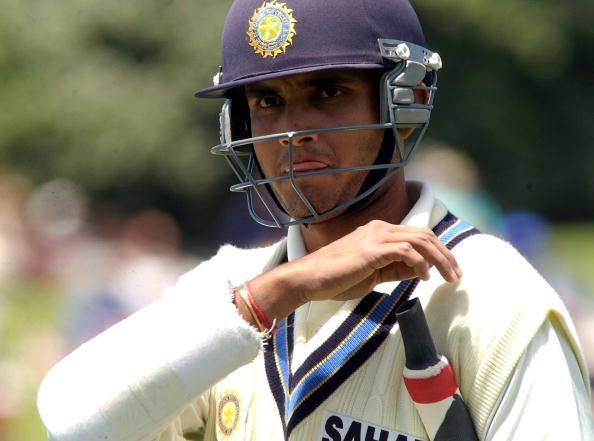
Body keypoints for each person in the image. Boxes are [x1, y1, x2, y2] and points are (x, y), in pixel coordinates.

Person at [37, 0, 593, 440]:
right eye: (268, 100)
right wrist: (280, 292)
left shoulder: (490, 293)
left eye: (329, 92)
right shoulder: (235, 287)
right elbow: (68, 417)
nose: (292, 130)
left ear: (406, 102)